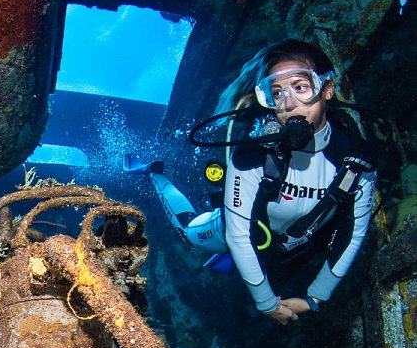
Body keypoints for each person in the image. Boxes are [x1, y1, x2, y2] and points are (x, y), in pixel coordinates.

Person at [126, 40, 377, 324]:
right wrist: (267, 303)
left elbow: (353, 230)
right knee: (187, 232)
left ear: (327, 89)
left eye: (301, 87)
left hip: (293, 246)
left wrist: (316, 297)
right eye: (277, 93)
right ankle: (154, 173)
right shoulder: (253, 155)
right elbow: (238, 235)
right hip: (233, 230)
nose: (289, 104)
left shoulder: (356, 160)